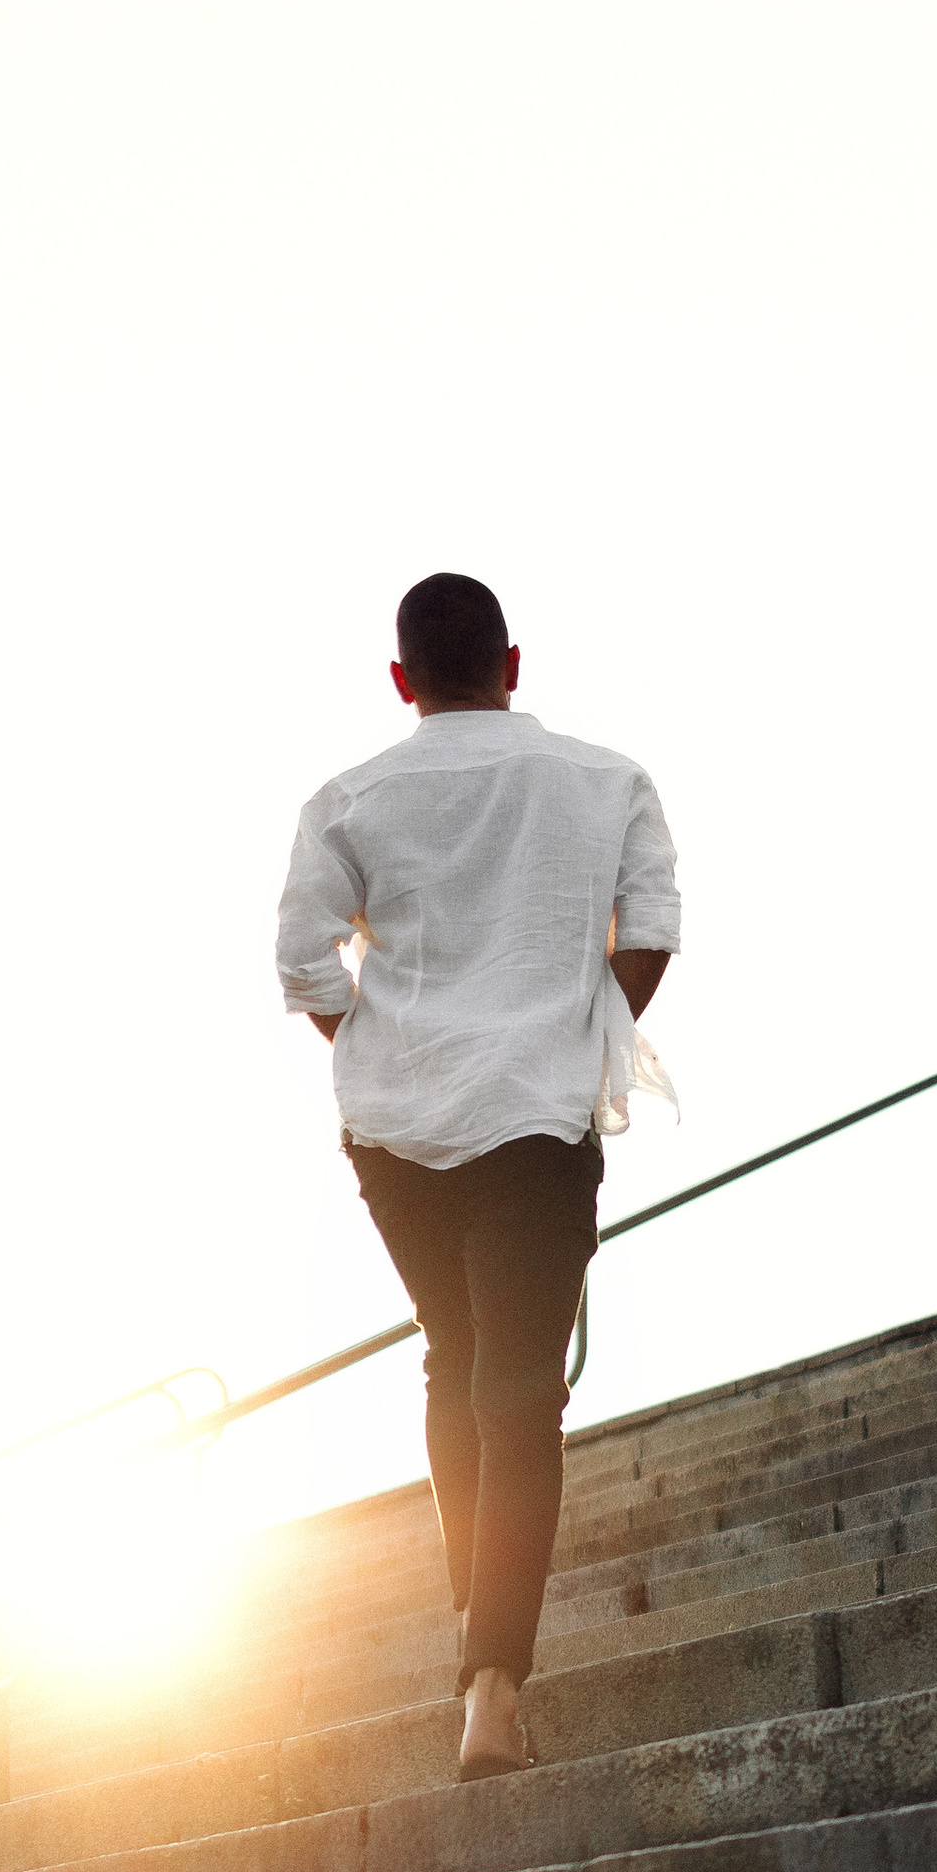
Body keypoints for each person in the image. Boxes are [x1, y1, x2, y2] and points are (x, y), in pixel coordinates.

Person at [276, 574, 679, 1780]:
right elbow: (652, 927)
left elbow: (302, 961)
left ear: (401, 681)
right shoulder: (607, 780)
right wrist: (568, 1033)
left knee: (456, 1363)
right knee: (516, 1391)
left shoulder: (347, 799)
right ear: (513, 658)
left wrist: (385, 1047)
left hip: (396, 1131)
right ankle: (491, 1688)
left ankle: (475, 1635)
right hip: (536, 1121)